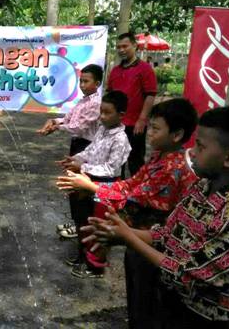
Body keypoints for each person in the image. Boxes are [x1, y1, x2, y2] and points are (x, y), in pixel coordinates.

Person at [84, 105, 229, 328]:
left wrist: (128, 237)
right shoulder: (201, 187)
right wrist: (120, 233)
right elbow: (166, 235)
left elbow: (186, 275)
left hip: (200, 317)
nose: (192, 151)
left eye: (200, 146)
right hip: (172, 303)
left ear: (228, 158)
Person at [58, 98, 199, 325]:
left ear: (176, 134)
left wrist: (91, 186)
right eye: (150, 126)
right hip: (135, 234)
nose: (149, 133)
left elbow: (134, 195)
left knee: (148, 296)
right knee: (136, 288)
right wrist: (91, 183)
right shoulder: (158, 158)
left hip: (154, 240)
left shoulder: (173, 167)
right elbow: (131, 183)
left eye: (155, 128)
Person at [56, 90, 131, 278]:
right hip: (85, 179)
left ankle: (95, 266)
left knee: (97, 225)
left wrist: (84, 166)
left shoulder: (120, 139)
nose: (102, 117)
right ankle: (82, 254)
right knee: (81, 218)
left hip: (102, 187)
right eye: (101, 112)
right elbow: (90, 150)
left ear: (121, 115)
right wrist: (76, 158)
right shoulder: (102, 130)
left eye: (107, 113)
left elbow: (112, 169)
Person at [37, 64, 103, 238]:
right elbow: (68, 118)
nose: (82, 84)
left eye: (86, 81)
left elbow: (79, 126)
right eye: (81, 81)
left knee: (81, 188)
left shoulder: (96, 103)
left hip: (86, 147)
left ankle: (84, 226)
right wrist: (54, 121)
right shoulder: (83, 100)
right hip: (78, 145)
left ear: (97, 83)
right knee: (73, 185)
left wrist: (57, 127)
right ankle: (77, 222)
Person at [108, 32, 157, 176]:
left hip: (135, 125)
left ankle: (138, 194)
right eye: (118, 47)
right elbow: (110, 95)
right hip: (116, 124)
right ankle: (118, 193)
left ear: (135, 46)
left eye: (125, 46)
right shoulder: (115, 70)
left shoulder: (145, 69)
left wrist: (142, 120)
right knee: (116, 161)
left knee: (135, 161)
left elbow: (150, 95)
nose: (121, 50)